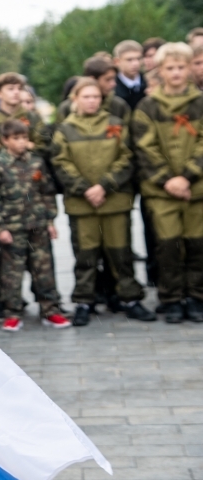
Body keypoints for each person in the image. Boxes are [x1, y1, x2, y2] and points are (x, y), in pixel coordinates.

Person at [51, 77, 155, 326]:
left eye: (96, 97)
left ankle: (130, 299)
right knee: (85, 256)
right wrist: (85, 189)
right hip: (83, 204)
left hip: (114, 201)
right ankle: (84, 301)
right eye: (86, 96)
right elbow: (60, 163)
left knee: (121, 253)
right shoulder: (65, 128)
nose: (92, 101)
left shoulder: (116, 125)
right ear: (75, 99)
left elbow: (126, 157)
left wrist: (104, 186)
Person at [132, 42, 203, 324]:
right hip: (162, 192)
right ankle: (171, 298)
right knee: (168, 245)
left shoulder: (199, 102)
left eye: (181, 67)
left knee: (197, 245)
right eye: (170, 68)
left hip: (196, 188)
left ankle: (197, 297)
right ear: (160, 70)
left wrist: (187, 176)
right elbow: (144, 147)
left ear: (190, 69)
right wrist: (168, 180)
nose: (176, 72)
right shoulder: (147, 107)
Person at [0, 119, 70, 331]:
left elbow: (47, 192)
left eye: (24, 138)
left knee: (44, 270)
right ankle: (12, 311)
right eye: (16, 138)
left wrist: (50, 220)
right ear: (5, 140)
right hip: (12, 228)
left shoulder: (36, 162)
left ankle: (50, 309)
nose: (21, 143)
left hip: (38, 224)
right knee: (12, 272)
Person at [0, 72, 50, 160]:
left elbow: (43, 149)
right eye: (10, 89)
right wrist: (27, 145)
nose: (16, 92)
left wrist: (1, 146)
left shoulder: (32, 117)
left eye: (19, 88)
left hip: (30, 169)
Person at [57, 57, 130, 123]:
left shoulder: (118, 106)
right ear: (93, 79)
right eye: (108, 80)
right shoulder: (67, 108)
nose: (113, 84)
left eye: (114, 79)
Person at [113, 40, 147, 111]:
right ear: (117, 62)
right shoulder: (112, 87)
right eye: (129, 60)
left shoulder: (149, 82)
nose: (136, 63)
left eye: (138, 58)